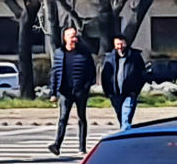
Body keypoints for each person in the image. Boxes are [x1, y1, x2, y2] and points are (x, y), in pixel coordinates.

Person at [49, 27, 96, 156]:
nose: (74, 39)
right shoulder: (59, 53)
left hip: (80, 92)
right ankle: (57, 145)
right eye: (71, 36)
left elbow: (92, 73)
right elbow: (55, 73)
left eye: (75, 36)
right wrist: (53, 92)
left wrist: (85, 87)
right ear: (65, 38)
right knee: (63, 118)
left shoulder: (84, 53)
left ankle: (82, 147)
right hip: (65, 92)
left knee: (82, 118)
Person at [101, 34, 148, 133]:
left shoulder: (135, 57)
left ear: (126, 43)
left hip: (129, 93)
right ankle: (126, 133)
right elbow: (105, 76)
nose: (120, 47)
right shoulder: (109, 58)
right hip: (115, 94)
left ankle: (124, 134)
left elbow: (142, 75)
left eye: (121, 44)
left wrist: (136, 91)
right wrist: (108, 92)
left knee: (125, 117)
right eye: (117, 44)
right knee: (121, 117)